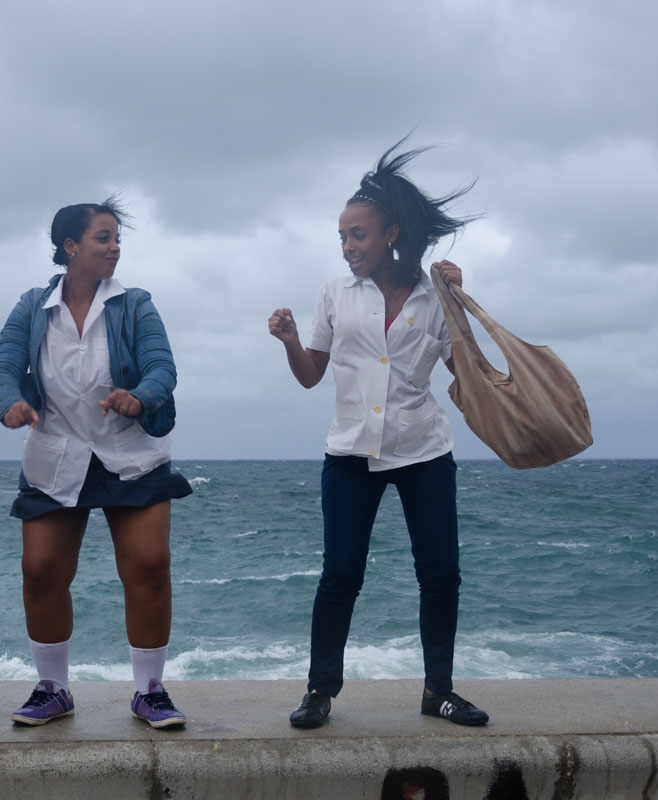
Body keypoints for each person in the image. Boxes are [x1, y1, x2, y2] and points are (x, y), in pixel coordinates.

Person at [268, 141, 490, 729]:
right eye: (342, 237)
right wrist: (291, 340)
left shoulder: (434, 294)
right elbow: (312, 376)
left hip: (424, 450)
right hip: (349, 454)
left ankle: (437, 691)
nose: (347, 247)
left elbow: (465, 372)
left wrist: (460, 301)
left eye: (358, 235)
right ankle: (319, 691)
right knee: (341, 574)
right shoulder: (335, 294)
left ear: (390, 232)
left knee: (441, 573)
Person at [0, 197, 193, 729]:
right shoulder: (33, 307)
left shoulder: (135, 304)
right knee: (41, 572)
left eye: (118, 239)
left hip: (130, 454)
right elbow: (4, 367)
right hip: (57, 454)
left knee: (148, 566)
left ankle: (150, 691)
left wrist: (140, 396)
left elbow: (161, 367)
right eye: (104, 238)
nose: (115, 248)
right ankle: (52, 689)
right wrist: (8, 403)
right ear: (70, 247)